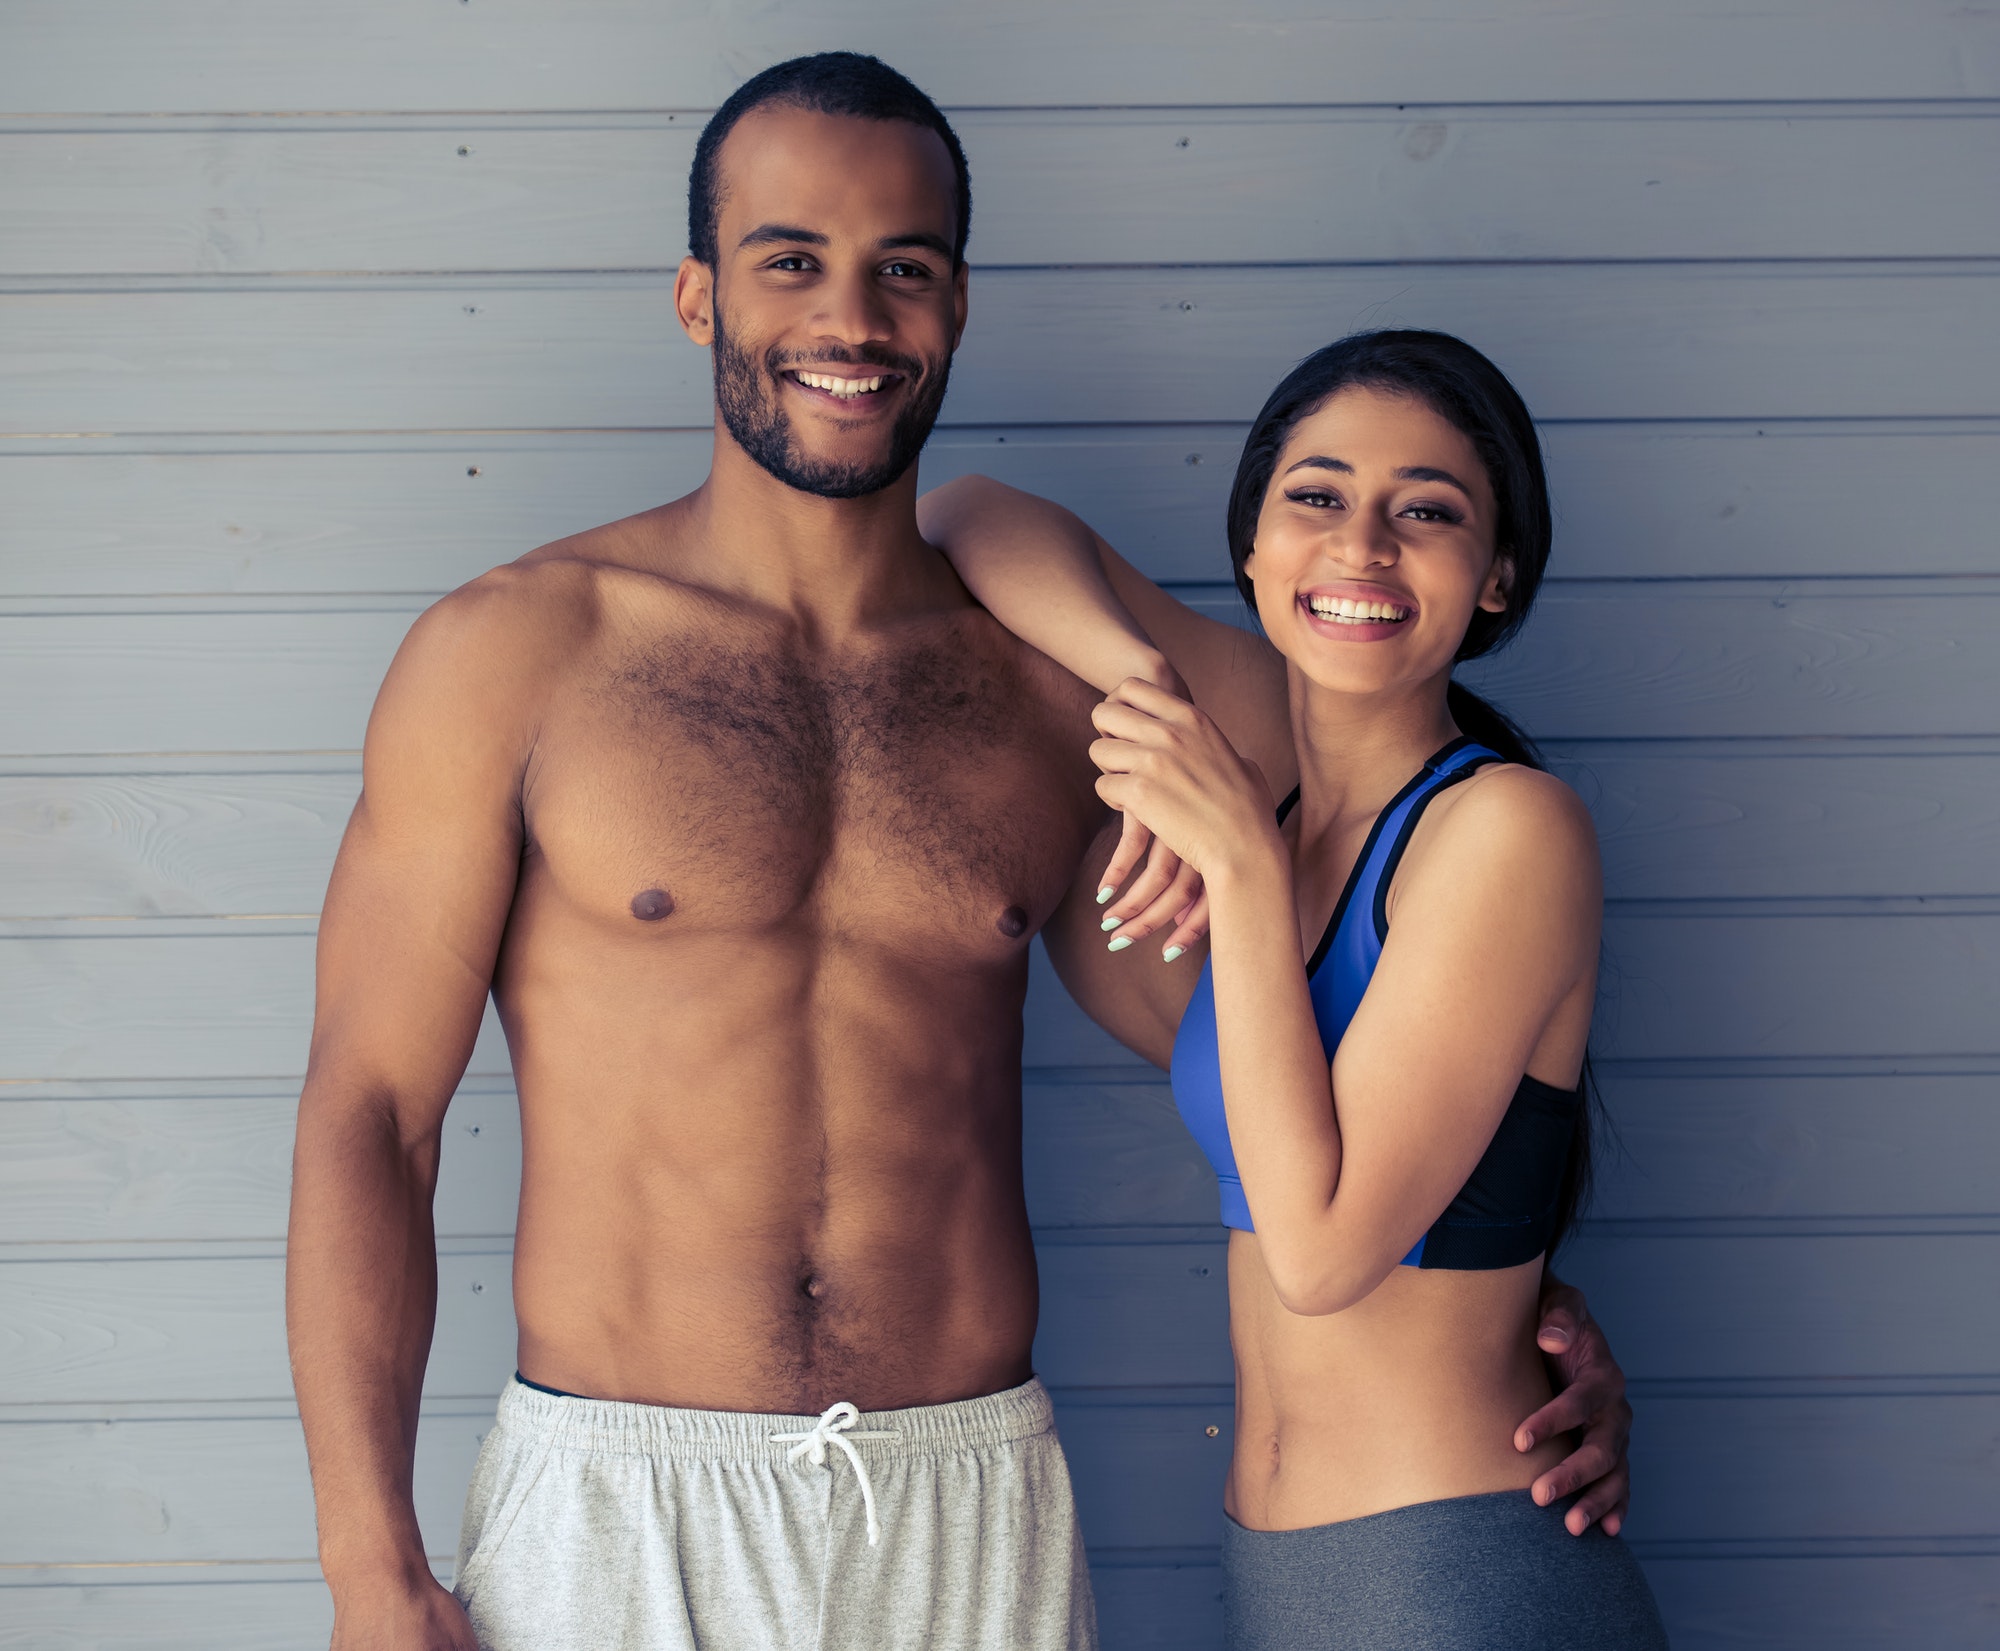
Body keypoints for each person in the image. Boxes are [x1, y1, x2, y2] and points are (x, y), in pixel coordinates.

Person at [284, 51, 1637, 1651]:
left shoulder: (1044, 700)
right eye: (790, 259)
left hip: (966, 1504)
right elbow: (373, 1113)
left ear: (957, 306)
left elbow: (1307, 1065)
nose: (848, 319)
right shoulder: (515, 654)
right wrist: (372, 1565)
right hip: (623, 1502)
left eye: (901, 270)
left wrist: (1504, 1292)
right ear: (697, 295)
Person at [922, 330, 1670, 1648]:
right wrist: (1143, 686)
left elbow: (1321, 1255)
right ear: (1256, 546)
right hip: (1281, 1579)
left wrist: (1240, 869)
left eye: (1427, 513)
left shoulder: (1507, 831)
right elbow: (969, 513)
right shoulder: (1255, 761)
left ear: (1496, 578)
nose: (1362, 548)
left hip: (1459, 1575)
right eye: (1316, 497)